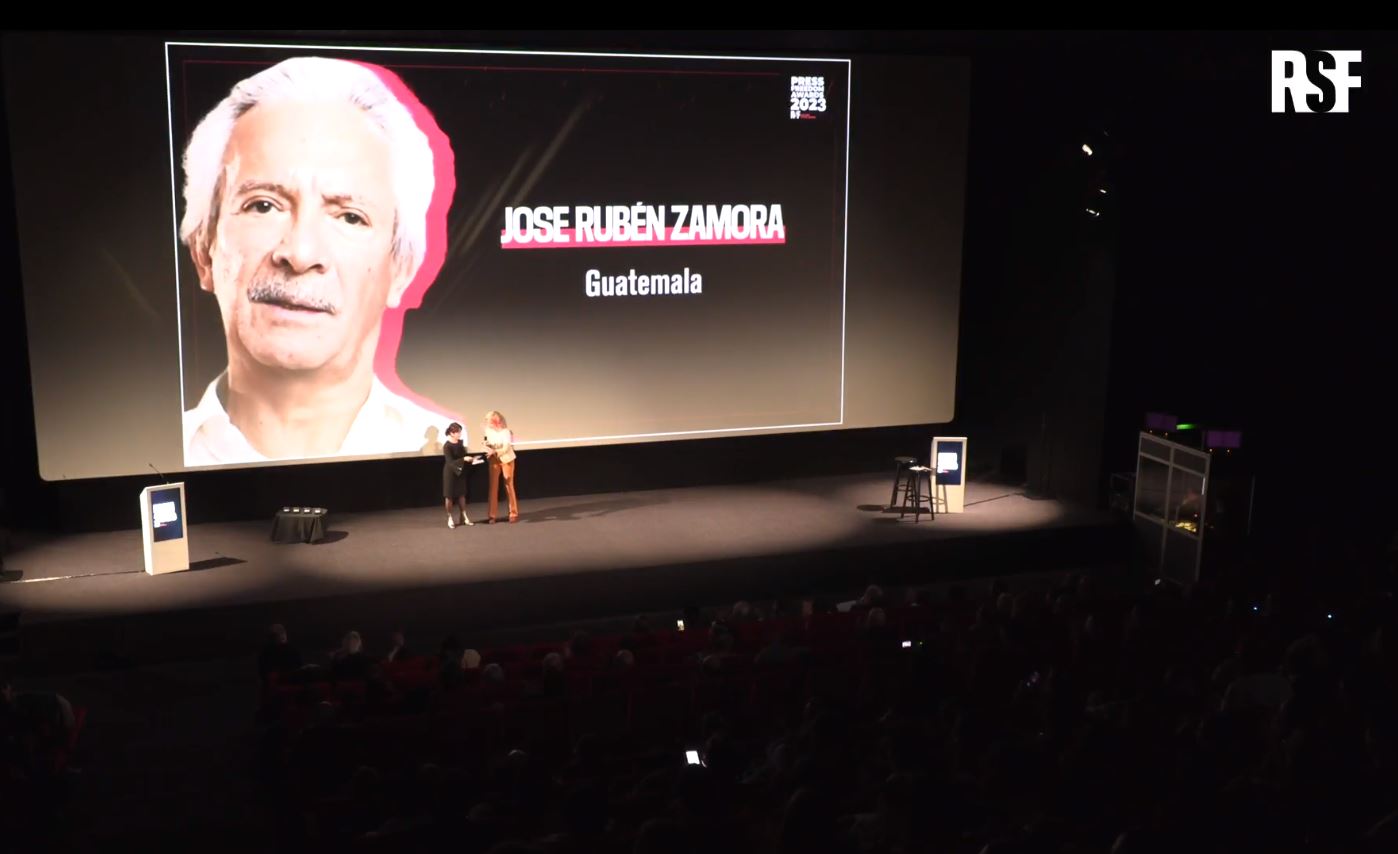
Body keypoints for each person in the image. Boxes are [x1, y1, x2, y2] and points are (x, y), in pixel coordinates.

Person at [179, 56, 455, 465]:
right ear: (203, 249)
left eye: (349, 216)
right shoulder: (142, 453)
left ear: (401, 269)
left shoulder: (454, 452)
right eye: (263, 206)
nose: (300, 253)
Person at [482, 410, 519, 523]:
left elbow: (506, 448)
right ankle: (492, 516)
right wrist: (485, 446)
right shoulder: (488, 431)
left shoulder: (506, 432)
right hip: (494, 460)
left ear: (496, 421)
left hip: (507, 459)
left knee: (508, 484)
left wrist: (494, 451)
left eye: (490, 420)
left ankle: (513, 513)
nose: (488, 423)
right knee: (493, 487)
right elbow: (486, 442)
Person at [442, 421, 480, 528]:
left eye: (460, 432)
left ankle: (463, 516)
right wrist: (463, 459)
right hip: (450, 472)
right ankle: (449, 517)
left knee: (462, 494)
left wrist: (471, 460)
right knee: (449, 495)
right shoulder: (447, 446)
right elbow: (450, 462)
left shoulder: (460, 443)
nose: (460, 434)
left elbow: (464, 457)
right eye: (458, 432)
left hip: (460, 471)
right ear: (452, 433)